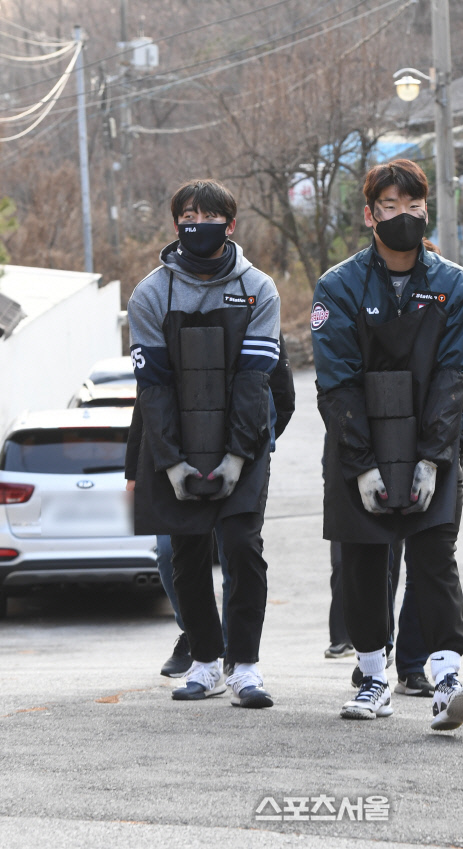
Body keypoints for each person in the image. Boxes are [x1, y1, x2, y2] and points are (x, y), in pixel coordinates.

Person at [311, 159, 463, 730]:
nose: (403, 216)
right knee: (363, 561)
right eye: (390, 206)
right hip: (355, 444)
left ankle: (446, 676)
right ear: (369, 214)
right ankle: (369, 676)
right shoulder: (337, 286)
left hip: (428, 445)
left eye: (413, 206)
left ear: (426, 210)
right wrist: (362, 464)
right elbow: (336, 381)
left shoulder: (455, 286)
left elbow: (455, 377)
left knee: (435, 558)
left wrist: (438, 458)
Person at [127, 178, 280, 707]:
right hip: (175, 443)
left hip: (244, 442)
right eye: (188, 215)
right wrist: (170, 462)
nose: (198, 223)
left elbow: (254, 380)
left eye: (209, 216)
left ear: (230, 225)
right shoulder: (149, 293)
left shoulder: (259, 288)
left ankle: (246, 668)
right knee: (185, 554)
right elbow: (154, 387)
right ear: (176, 225)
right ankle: (206, 662)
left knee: (241, 547)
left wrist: (239, 455)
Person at [393, 350, 463, 697]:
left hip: (440, 466)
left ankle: (413, 666)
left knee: (428, 564)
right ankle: (372, 660)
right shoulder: (377, 315)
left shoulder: (458, 331)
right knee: (375, 560)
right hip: (381, 458)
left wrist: (458, 445)